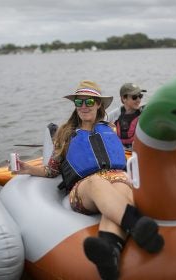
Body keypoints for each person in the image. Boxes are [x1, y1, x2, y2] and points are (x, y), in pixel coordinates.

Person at [12, 80, 163, 280]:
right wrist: (27, 168)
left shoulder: (110, 127)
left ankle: (110, 252)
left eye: (89, 101)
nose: (83, 106)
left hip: (117, 178)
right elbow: (52, 170)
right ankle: (138, 225)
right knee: (97, 184)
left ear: (98, 104)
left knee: (121, 188)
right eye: (79, 102)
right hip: (85, 188)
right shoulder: (65, 134)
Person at [107, 83, 146, 150]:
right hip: (121, 152)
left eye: (140, 96)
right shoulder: (114, 115)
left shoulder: (145, 113)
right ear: (124, 98)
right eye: (134, 97)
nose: (138, 100)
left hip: (138, 153)